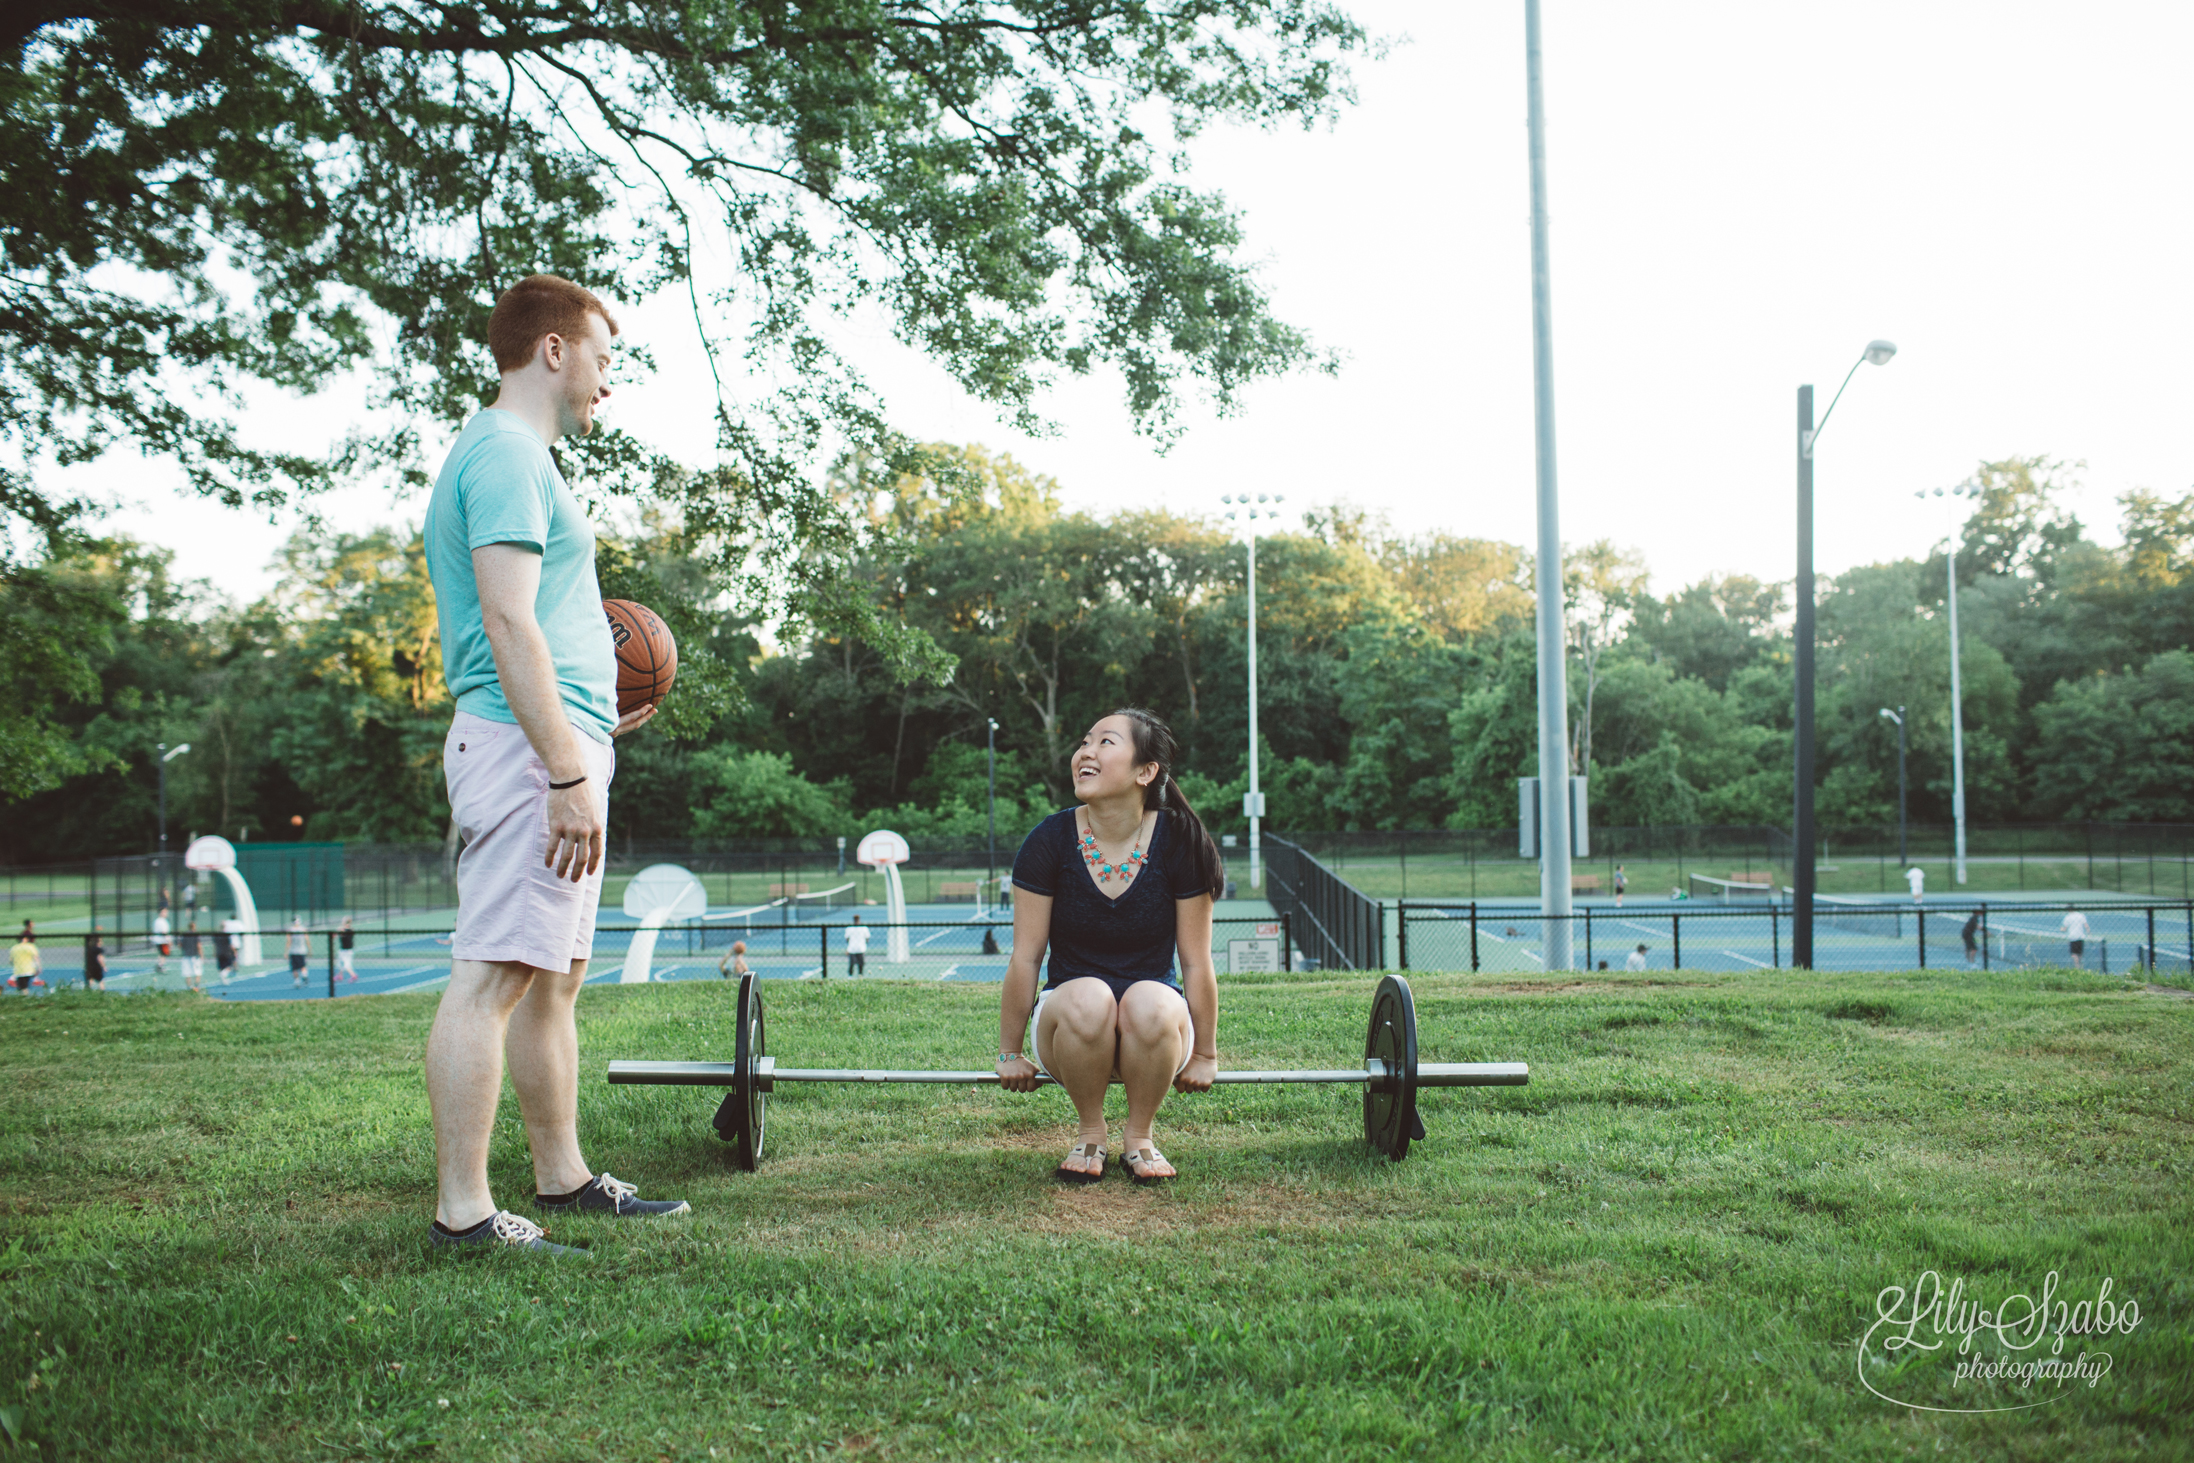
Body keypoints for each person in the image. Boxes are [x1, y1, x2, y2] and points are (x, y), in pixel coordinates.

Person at [420, 273, 681, 1256]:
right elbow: (506, 618)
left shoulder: (522, 457)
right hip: (527, 757)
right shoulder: (504, 453)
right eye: (603, 358)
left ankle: (563, 1177)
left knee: (551, 975)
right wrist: (566, 770)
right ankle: (464, 1212)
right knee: (491, 973)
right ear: (555, 349)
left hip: (558, 747)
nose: (606, 383)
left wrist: (591, 730)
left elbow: (546, 628)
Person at [998, 708, 1221, 1185]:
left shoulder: (1180, 841)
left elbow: (1196, 961)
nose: (1085, 752)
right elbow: (1026, 956)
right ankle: (1090, 1132)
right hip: (1069, 1024)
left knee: (1149, 999)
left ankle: (1139, 1138)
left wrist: (1205, 1054)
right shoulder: (1048, 841)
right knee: (1090, 994)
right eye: (1084, 741)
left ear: (1145, 772)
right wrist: (1008, 1052)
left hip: (1156, 1029)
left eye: (1105, 742)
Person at [179, 919, 204, 993]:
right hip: (195, 956)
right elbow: (198, 945)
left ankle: (189, 988)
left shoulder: (184, 935)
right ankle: (196, 987)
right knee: (198, 973)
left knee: (188, 974)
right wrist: (201, 955)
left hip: (186, 956)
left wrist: (185, 949)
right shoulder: (196, 934)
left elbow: (180, 945)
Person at [215, 917, 241, 983]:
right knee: (229, 966)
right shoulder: (227, 935)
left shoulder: (217, 935)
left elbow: (215, 945)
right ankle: (223, 975)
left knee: (221, 967)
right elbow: (230, 945)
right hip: (226, 953)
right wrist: (234, 952)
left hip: (219, 952)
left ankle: (223, 979)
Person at [287, 916, 311, 988]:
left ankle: (297, 981)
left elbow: (289, 941)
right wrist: (309, 949)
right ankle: (305, 977)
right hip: (301, 951)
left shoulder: (291, 930)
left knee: (294, 968)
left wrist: (286, 951)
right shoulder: (303, 929)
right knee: (302, 966)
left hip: (294, 951)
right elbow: (307, 940)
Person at [83, 926, 107, 991]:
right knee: (101, 981)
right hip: (96, 967)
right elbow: (100, 958)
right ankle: (102, 993)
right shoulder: (98, 950)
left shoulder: (89, 949)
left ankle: (87, 992)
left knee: (90, 980)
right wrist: (104, 966)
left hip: (89, 967)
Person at [152, 906, 171, 980]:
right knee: (163, 954)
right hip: (162, 941)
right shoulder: (161, 921)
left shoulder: (159, 920)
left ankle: (160, 965)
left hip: (159, 940)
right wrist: (168, 940)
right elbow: (163, 932)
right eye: (164, 911)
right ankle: (160, 966)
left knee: (162, 954)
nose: (166, 913)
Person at [336, 917, 358, 982]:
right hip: (345, 950)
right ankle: (340, 975)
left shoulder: (344, 930)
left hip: (346, 951)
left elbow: (340, 932)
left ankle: (354, 975)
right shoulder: (350, 930)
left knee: (346, 965)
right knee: (340, 963)